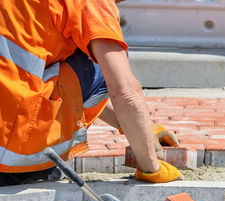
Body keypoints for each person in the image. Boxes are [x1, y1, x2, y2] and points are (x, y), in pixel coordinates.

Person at [0, 0, 182, 186]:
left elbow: (74, 86)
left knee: (76, 55)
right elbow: (124, 90)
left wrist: (138, 127)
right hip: (8, 149)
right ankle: (30, 164)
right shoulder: (93, 3)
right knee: (104, 62)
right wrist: (151, 168)